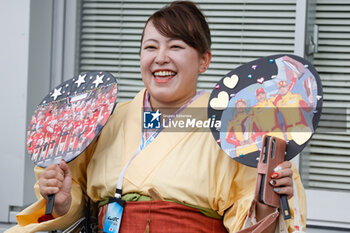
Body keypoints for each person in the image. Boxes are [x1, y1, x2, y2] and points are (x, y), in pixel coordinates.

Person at [6, 1, 306, 233]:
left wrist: (274, 200)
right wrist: (62, 202)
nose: (161, 57)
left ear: (204, 60)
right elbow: (74, 202)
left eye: (176, 46)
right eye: (151, 47)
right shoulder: (106, 119)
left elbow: (254, 218)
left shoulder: (234, 128)